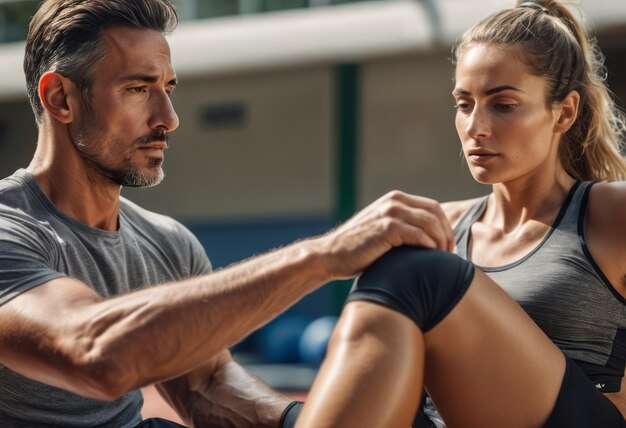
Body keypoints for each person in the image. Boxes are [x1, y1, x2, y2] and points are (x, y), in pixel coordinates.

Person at [0, 0, 456, 426]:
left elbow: (207, 385)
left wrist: (298, 420)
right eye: (138, 89)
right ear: (60, 98)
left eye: (168, 87)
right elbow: (94, 353)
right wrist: (324, 255)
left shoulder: (166, 243)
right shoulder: (9, 228)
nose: (168, 116)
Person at [295, 1, 626, 427]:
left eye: (503, 105)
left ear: (563, 112)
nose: (476, 127)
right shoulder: (445, 226)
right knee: (404, 257)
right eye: (464, 103)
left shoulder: (609, 212)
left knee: (417, 269)